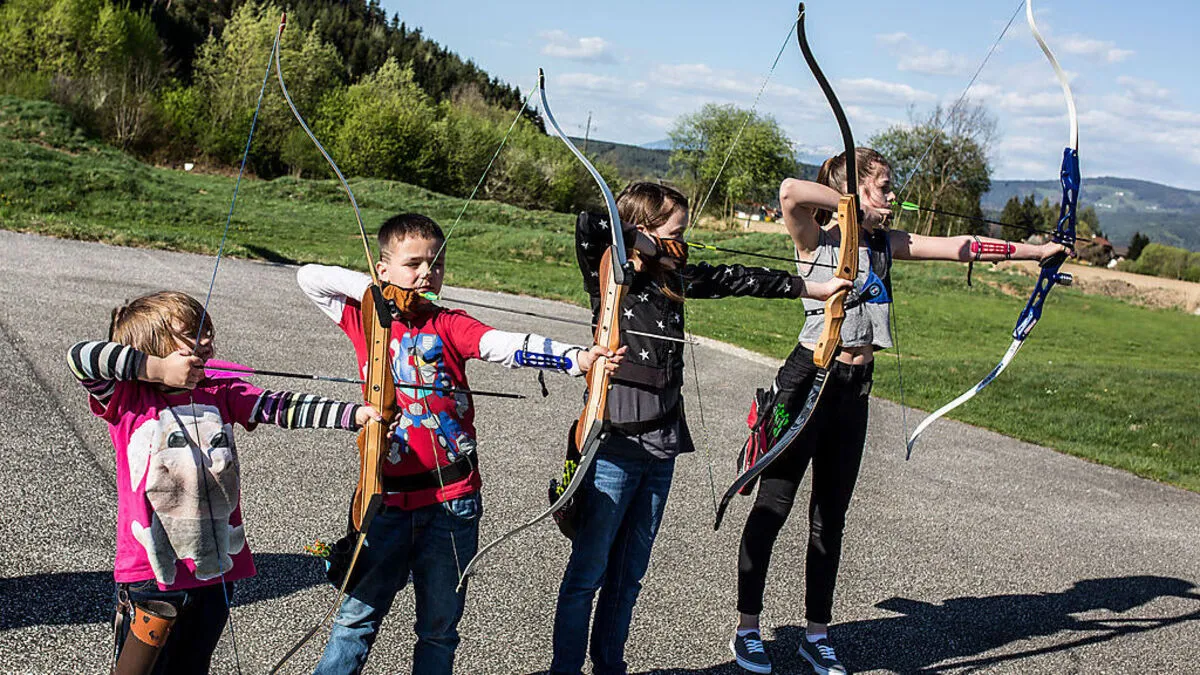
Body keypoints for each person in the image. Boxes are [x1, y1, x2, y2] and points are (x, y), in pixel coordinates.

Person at [728, 148, 1071, 675]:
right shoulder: (814, 240)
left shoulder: (885, 244)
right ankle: (748, 629)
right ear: (854, 189)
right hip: (807, 382)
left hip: (854, 390)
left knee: (830, 518)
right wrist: (849, 209)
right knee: (773, 508)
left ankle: (816, 635)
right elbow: (790, 191)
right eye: (884, 187)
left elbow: (962, 246)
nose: (894, 197)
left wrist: (1035, 252)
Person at [297, 212, 622, 675]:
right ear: (383, 268)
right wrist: (375, 293)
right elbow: (308, 278)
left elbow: (501, 345)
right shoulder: (364, 317)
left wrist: (576, 358)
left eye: (436, 264)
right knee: (356, 620)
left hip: (452, 501)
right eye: (413, 264)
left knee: (439, 628)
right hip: (384, 498)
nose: (427, 274)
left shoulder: (449, 323)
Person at [550, 182, 854, 675]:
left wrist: (812, 288)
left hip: (662, 445)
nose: (684, 243)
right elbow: (591, 225)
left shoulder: (676, 278)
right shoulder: (613, 273)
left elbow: (740, 277)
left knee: (628, 578)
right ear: (644, 228)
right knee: (587, 576)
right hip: (613, 442)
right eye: (677, 232)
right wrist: (639, 243)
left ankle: (609, 667)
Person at [67, 290, 380, 674]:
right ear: (153, 347)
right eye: (191, 333)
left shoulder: (221, 392)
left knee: (192, 666)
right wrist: (158, 370)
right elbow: (80, 357)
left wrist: (355, 415)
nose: (206, 340)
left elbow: (278, 406)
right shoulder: (127, 398)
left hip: (215, 569)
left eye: (208, 330)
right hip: (151, 575)